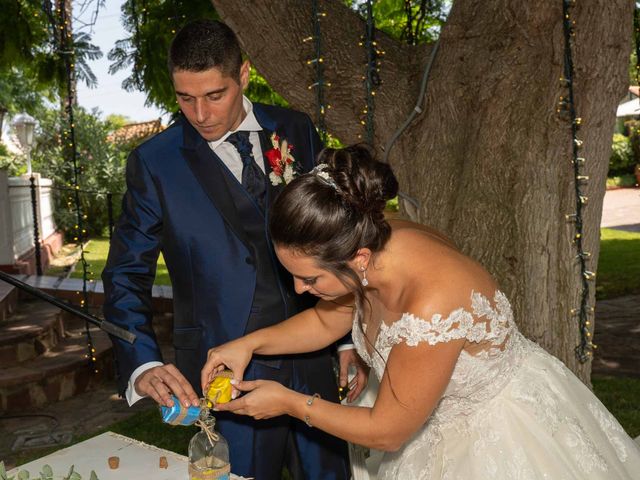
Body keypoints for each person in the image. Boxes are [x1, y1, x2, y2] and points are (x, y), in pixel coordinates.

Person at [202, 144, 640, 479]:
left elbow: (388, 431)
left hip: (496, 437)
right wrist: (247, 343)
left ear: (357, 258)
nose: (300, 290)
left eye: (311, 280)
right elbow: (325, 319)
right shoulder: (368, 237)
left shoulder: (432, 304)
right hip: (417, 416)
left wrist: (289, 403)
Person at [102, 19, 358, 480]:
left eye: (214, 95)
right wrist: (144, 362)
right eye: (185, 98)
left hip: (316, 359)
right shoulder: (154, 162)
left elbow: (332, 239)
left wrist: (345, 336)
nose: (199, 114)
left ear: (242, 75)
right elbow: (124, 274)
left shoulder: (296, 129)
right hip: (221, 373)